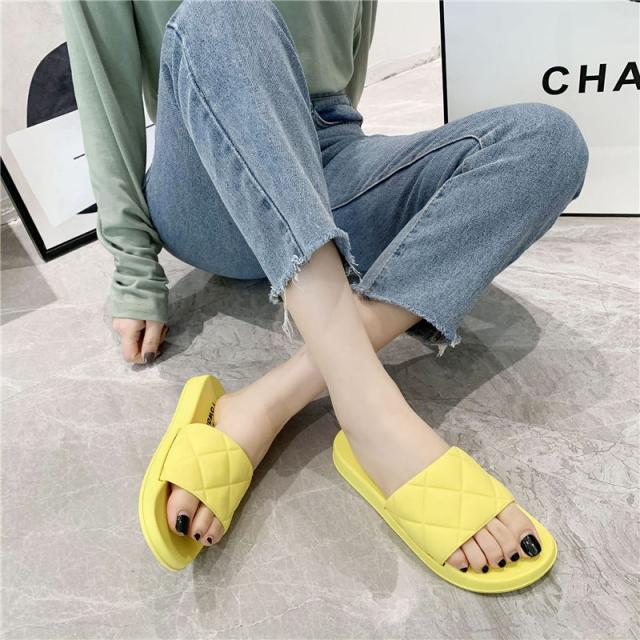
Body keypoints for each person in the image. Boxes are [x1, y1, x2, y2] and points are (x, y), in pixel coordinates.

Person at [63, 0, 589, 577]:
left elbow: (347, 67)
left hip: (326, 156)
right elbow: (104, 92)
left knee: (547, 142)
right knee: (224, 9)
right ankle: (372, 417)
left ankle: (270, 400)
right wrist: (133, 268)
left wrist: (314, 185)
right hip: (206, 169)